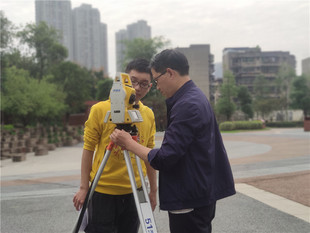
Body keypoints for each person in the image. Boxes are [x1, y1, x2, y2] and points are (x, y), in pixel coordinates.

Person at [110, 49, 236, 233]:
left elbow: (165, 158)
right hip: (199, 192)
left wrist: (129, 143)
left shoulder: (187, 105)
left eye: (155, 79)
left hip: (189, 197)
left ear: (169, 72)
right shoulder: (194, 97)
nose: (157, 86)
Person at [73, 58, 157, 233]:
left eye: (144, 84)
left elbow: (149, 154)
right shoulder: (100, 110)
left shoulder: (148, 114)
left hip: (135, 191)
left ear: (150, 87)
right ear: (123, 80)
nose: (137, 88)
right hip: (102, 190)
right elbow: (88, 149)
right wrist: (83, 187)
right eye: (133, 81)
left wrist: (153, 191)